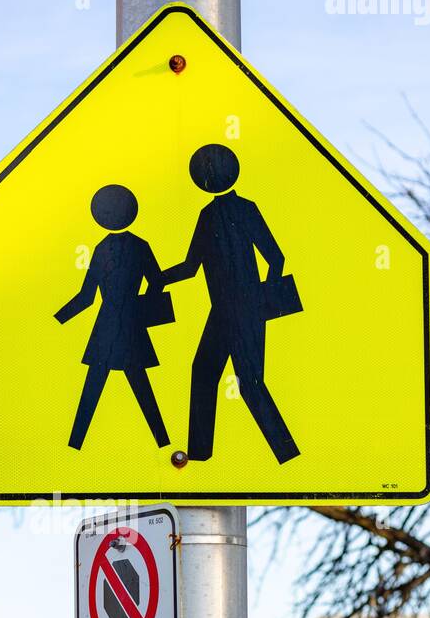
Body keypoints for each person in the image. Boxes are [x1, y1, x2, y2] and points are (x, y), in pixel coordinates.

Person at [162, 144, 301, 464]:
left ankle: (287, 452)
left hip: (246, 310)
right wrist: (159, 278)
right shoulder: (208, 215)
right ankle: (199, 455)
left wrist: (260, 299)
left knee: (249, 383)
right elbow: (192, 266)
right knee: (205, 371)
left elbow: (275, 257)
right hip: (222, 312)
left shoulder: (244, 209)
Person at [55, 184, 172, 451]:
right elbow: (157, 281)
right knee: (137, 384)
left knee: (97, 386)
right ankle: (163, 443)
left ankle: (75, 444)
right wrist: (142, 309)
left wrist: (60, 318)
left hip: (108, 327)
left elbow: (86, 297)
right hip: (130, 324)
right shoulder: (140, 246)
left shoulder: (102, 248)